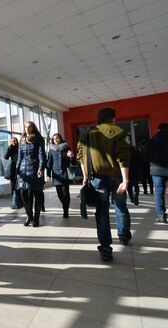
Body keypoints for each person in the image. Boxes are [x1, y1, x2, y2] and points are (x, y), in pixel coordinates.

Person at [77, 107, 131, 262]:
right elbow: (124, 156)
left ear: (98, 118)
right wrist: (126, 180)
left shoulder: (87, 133)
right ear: (113, 118)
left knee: (102, 211)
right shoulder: (120, 132)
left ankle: (106, 248)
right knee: (121, 206)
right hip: (117, 177)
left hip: (97, 179)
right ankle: (124, 236)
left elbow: (81, 156)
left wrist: (85, 176)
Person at [16, 121, 46, 227]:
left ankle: (36, 218)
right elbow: (19, 156)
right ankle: (29, 215)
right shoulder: (22, 139)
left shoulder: (39, 139)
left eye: (29, 127)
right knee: (24, 194)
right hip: (23, 169)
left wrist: (41, 169)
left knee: (37, 193)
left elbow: (42, 155)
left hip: (35, 168)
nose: (27, 129)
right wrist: (17, 169)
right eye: (25, 127)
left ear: (33, 128)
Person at [46, 133, 74, 218]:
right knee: (59, 193)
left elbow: (72, 161)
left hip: (65, 172)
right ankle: (64, 205)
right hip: (56, 173)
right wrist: (48, 173)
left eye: (57, 138)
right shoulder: (51, 149)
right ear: (52, 140)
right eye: (54, 139)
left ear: (60, 138)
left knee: (65, 193)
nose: (56, 140)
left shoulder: (66, 147)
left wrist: (71, 156)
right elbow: (49, 162)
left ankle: (66, 211)